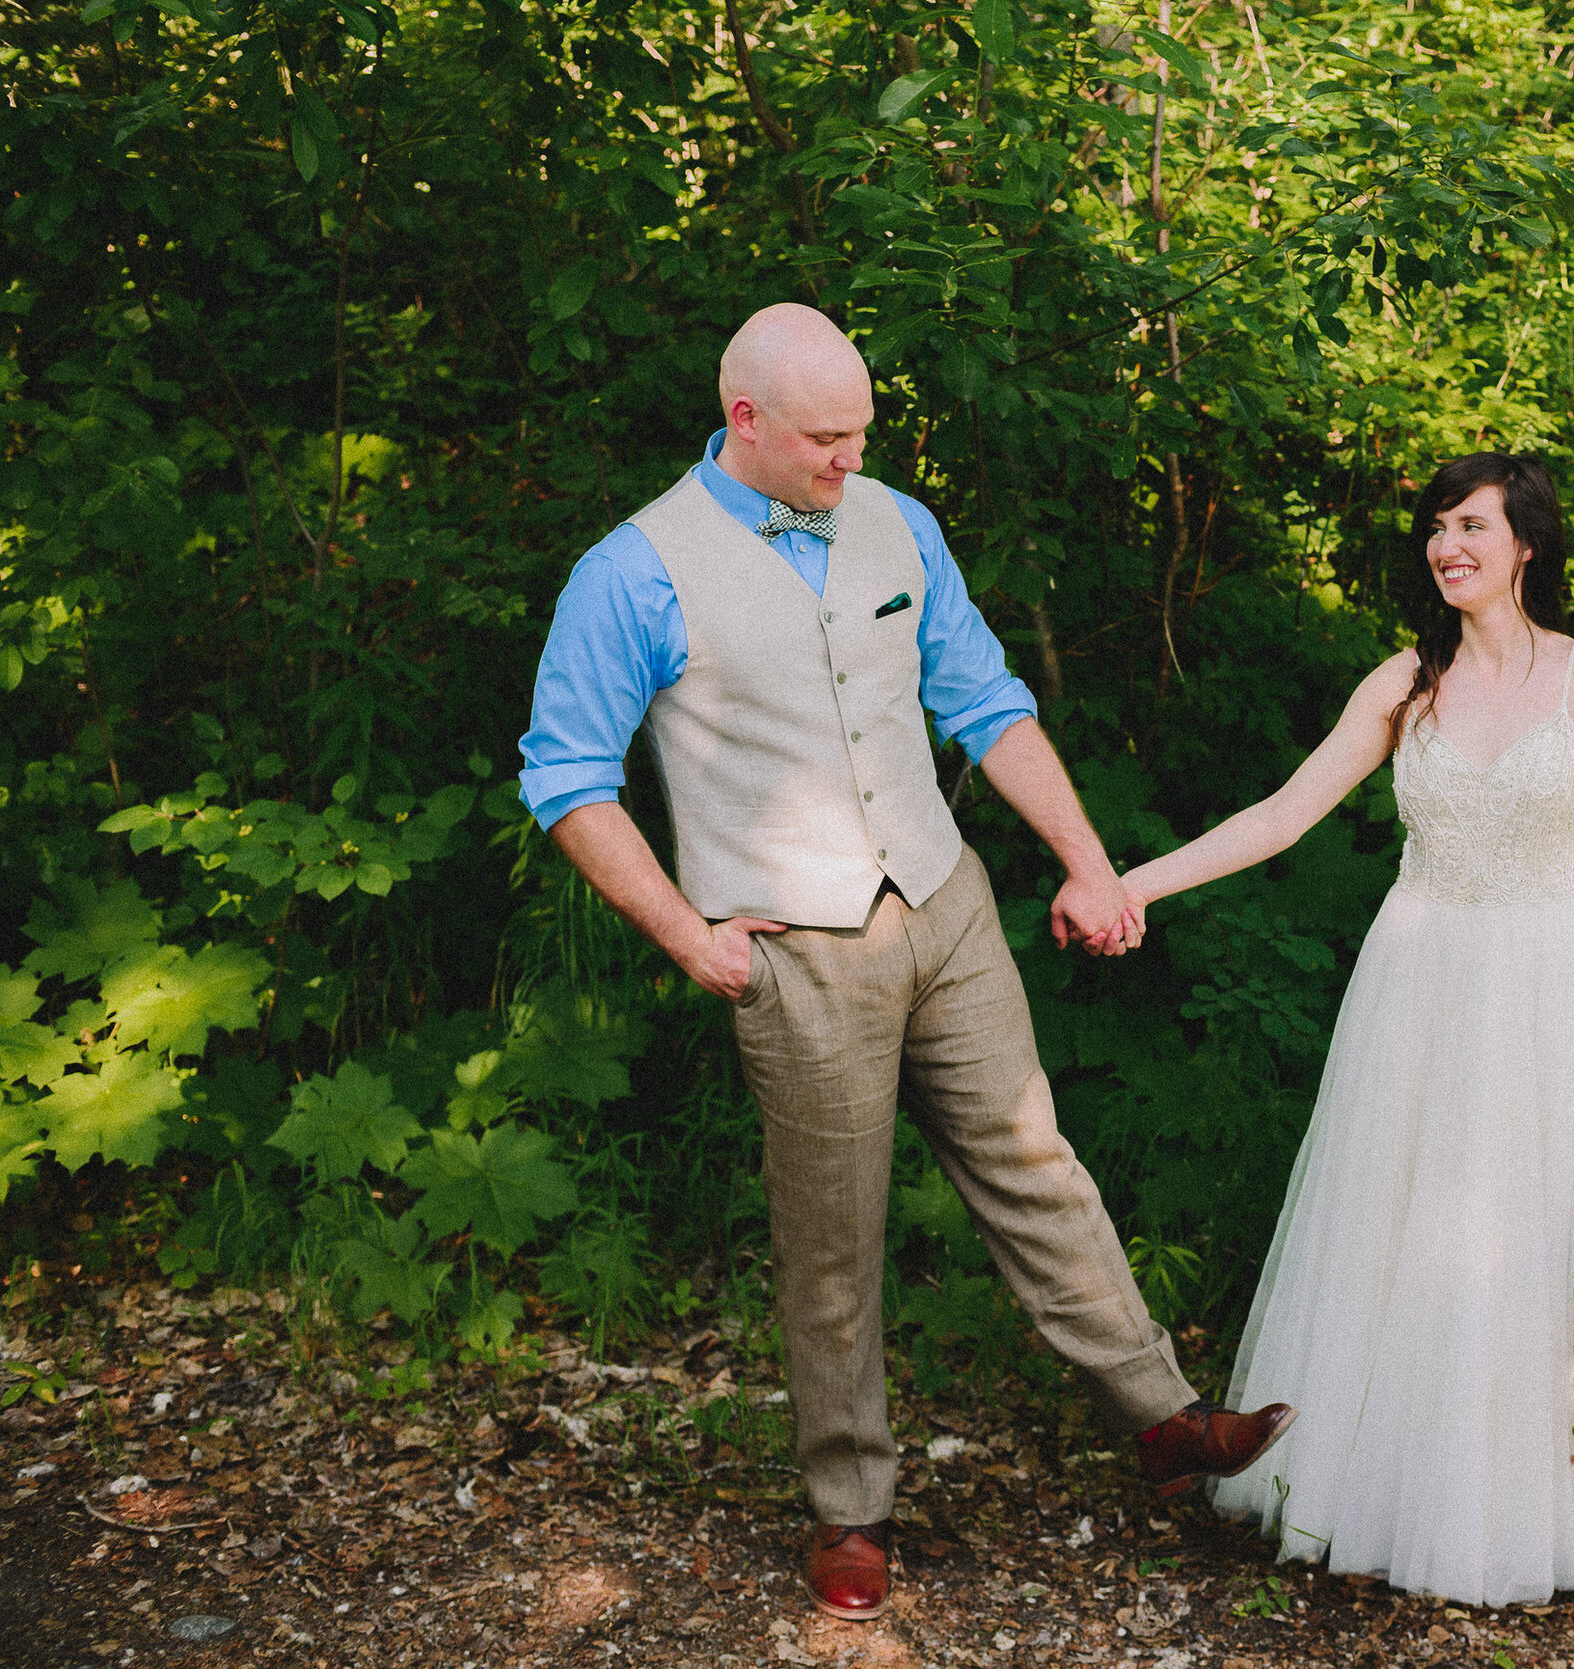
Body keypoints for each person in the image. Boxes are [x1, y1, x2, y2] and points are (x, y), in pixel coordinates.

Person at [516, 303, 1292, 1623]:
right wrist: (685, 933)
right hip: (795, 946)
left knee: (1035, 1159)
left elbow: (985, 700)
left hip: (942, 900)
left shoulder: (896, 522)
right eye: (826, 436)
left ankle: (1166, 1422)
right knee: (834, 1238)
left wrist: (1088, 861)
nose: (849, 457)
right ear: (743, 419)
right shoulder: (635, 571)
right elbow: (568, 778)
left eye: (863, 430)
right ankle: (850, 1511)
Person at [1106, 454, 1574, 1606]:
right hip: (1421, 980)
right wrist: (1135, 884)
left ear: (1525, 546)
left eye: (1470, 524)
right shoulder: (1406, 681)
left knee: (1550, 1227)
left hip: (1556, 975)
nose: (1445, 545)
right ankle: (1390, 1484)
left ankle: (1557, 1500)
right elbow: (1283, 813)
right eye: (1435, 528)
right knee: (1407, 1222)